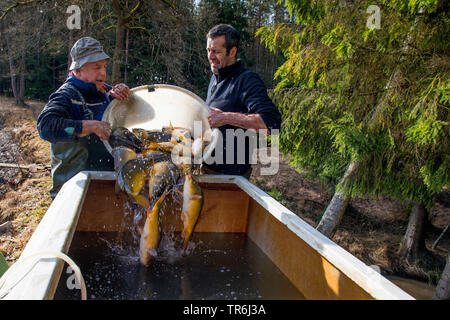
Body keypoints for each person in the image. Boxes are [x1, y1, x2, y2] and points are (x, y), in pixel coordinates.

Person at [37, 37, 130, 198]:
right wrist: (87, 126)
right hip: (73, 193)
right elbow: (45, 126)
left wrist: (120, 96)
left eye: (104, 66)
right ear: (78, 71)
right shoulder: (66, 95)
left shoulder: (105, 91)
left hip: (106, 186)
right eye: (96, 67)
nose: (103, 73)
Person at [202, 24, 281, 178]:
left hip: (232, 180)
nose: (211, 56)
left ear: (232, 51)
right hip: (207, 171)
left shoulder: (247, 81)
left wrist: (225, 117)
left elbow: (271, 122)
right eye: (208, 50)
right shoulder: (215, 77)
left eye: (216, 51)